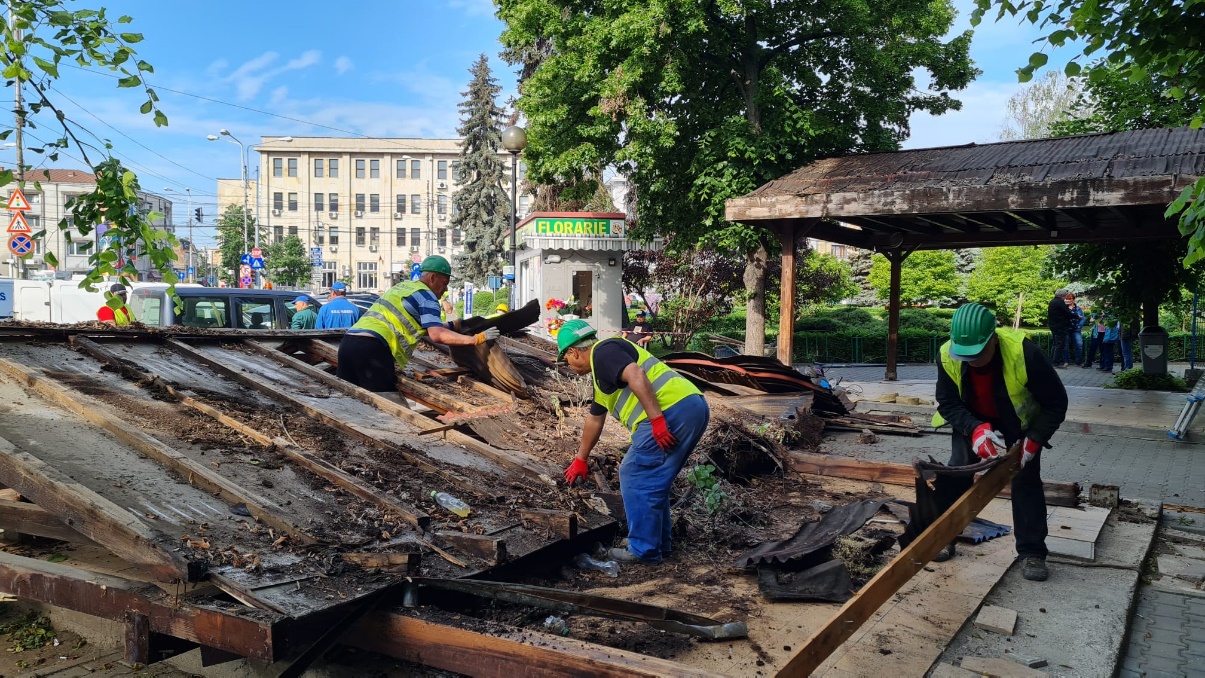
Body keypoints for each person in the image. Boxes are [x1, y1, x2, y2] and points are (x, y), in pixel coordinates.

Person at [932, 302, 1068, 582]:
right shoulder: (947, 354)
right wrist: (975, 429)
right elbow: (947, 402)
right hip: (971, 419)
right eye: (966, 355)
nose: (973, 360)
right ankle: (944, 536)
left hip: (1018, 425)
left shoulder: (1025, 353)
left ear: (993, 338)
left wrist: (1035, 439)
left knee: (1026, 480)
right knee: (957, 472)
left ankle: (1032, 553)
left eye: (980, 353)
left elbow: (1056, 403)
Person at [558, 319, 710, 565]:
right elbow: (594, 420)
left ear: (574, 351)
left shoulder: (603, 352)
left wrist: (658, 421)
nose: (568, 365)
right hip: (690, 405)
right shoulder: (603, 373)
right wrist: (580, 459)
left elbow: (636, 375)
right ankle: (657, 543)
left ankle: (644, 549)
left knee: (635, 473)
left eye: (566, 358)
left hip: (669, 412)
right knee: (653, 479)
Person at [336, 256, 499, 403]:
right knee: (390, 409)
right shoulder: (427, 297)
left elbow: (426, 327)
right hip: (372, 350)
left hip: (348, 343)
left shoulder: (403, 287)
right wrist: (476, 339)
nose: (445, 289)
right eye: (444, 283)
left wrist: (454, 325)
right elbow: (437, 335)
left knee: (349, 403)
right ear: (433, 278)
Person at [1046, 289, 1074, 368]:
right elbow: (1067, 313)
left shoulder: (1052, 301)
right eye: (1065, 296)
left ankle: (1052, 361)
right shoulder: (1060, 302)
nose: (1065, 298)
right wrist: (1076, 316)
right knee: (1059, 344)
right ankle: (1056, 363)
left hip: (1053, 326)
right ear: (1062, 296)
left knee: (1055, 344)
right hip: (1060, 327)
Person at [1066, 294, 1085, 366]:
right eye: (1067, 299)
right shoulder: (1064, 308)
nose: (1068, 300)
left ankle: (1078, 362)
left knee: (1079, 345)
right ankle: (1066, 361)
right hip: (1067, 329)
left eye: (1069, 299)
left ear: (1073, 300)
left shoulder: (1078, 309)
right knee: (1066, 346)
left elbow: (1082, 318)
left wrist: (1079, 326)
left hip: (1076, 329)